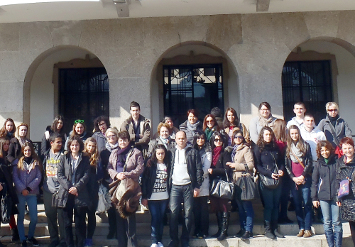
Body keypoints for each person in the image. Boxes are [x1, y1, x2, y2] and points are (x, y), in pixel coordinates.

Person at [107, 130, 144, 247]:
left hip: (130, 188)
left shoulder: (136, 152)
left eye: (125, 140)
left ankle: (131, 244)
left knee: (130, 215)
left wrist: (126, 174)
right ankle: (121, 243)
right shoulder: (114, 153)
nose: (122, 142)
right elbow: (109, 167)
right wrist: (116, 175)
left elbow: (140, 168)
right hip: (118, 188)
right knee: (119, 217)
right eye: (120, 140)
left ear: (128, 141)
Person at [167, 131, 202, 247]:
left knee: (188, 213)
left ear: (186, 139)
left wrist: (197, 186)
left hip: (188, 186)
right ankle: (174, 239)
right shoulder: (171, 152)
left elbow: (198, 169)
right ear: (175, 139)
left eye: (183, 138)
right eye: (179, 138)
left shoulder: (193, 152)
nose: (181, 140)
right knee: (173, 213)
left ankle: (185, 239)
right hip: (175, 186)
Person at [57, 136, 90, 247]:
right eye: (72, 145)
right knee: (67, 223)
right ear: (69, 146)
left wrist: (77, 188)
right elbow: (60, 174)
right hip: (66, 194)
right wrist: (70, 187)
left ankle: (80, 244)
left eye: (76, 145)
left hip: (80, 194)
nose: (74, 147)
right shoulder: (64, 158)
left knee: (80, 223)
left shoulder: (85, 159)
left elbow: (86, 175)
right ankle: (69, 244)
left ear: (80, 146)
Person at [254, 126, 284, 239]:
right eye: (266, 134)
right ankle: (268, 229)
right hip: (266, 181)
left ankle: (275, 228)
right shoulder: (258, 148)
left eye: (270, 134)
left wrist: (281, 170)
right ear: (262, 135)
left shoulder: (275, 147)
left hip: (277, 180)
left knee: (276, 205)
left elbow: (281, 161)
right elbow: (257, 166)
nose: (268, 136)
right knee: (269, 206)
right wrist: (269, 173)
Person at [285, 125, 313, 238]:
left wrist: (302, 176)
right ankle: (301, 227)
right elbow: (287, 165)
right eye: (292, 133)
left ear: (299, 133)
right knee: (297, 204)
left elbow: (310, 162)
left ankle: (307, 228)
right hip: (294, 180)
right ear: (289, 135)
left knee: (306, 203)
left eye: (296, 133)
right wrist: (293, 177)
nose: (294, 135)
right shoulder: (288, 147)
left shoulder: (305, 145)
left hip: (304, 178)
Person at [312, 141, 342, 247]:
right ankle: (331, 245)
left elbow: (340, 179)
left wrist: (340, 195)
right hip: (323, 196)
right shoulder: (318, 163)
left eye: (326, 150)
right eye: (322, 150)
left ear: (330, 150)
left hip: (336, 196)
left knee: (337, 222)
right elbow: (315, 182)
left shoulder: (337, 162)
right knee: (327, 221)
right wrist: (314, 197)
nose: (325, 152)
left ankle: (338, 245)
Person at [226, 130, 254, 240]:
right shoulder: (232, 149)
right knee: (240, 207)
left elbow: (250, 165)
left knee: (247, 206)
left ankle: (248, 230)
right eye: (235, 137)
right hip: (235, 182)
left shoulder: (246, 149)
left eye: (240, 137)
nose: (237, 139)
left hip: (244, 180)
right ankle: (242, 228)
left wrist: (235, 165)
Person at [13, 142, 42, 247]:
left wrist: (29, 188)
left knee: (34, 217)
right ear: (23, 151)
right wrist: (22, 189)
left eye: (29, 150)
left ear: (32, 151)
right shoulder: (18, 162)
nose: (27, 152)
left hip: (32, 193)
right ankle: (22, 239)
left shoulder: (36, 162)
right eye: (25, 150)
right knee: (20, 216)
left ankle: (30, 236)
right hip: (20, 193)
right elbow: (15, 177)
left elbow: (38, 177)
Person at [141, 144, 170, 247]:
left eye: (162, 153)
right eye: (158, 153)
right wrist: (144, 197)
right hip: (152, 197)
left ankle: (159, 240)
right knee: (155, 217)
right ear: (155, 154)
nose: (160, 155)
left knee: (161, 218)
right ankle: (154, 241)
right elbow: (144, 181)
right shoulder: (150, 165)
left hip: (164, 197)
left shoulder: (168, 164)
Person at [42, 133, 66, 247]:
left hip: (61, 190)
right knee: (51, 216)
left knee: (61, 217)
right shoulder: (45, 155)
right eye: (58, 142)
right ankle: (54, 239)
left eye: (61, 142)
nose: (60, 144)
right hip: (48, 190)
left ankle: (63, 241)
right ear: (51, 143)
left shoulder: (64, 155)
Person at [208, 132, 232, 241]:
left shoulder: (225, 153)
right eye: (216, 140)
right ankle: (219, 230)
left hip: (221, 182)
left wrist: (213, 171)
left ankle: (224, 231)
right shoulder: (211, 153)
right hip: (212, 182)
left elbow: (226, 170)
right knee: (216, 207)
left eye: (220, 140)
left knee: (224, 206)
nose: (218, 142)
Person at [99, 127, 119, 239]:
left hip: (119, 182)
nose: (111, 138)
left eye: (113, 135)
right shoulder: (103, 152)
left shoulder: (121, 149)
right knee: (111, 208)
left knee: (119, 207)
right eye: (109, 136)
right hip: (107, 182)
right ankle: (112, 230)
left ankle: (120, 230)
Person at [336, 137, 355, 246]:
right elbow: (337, 180)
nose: (347, 150)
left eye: (350, 148)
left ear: (353, 148)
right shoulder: (339, 162)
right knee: (352, 226)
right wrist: (337, 197)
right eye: (345, 148)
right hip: (347, 197)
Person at [192, 131, 211, 239]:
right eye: (198, 138)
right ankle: (196, 230)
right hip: (193, 182)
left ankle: (204, 231)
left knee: (203, 208)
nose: (200, 140)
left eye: (202, 138)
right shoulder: (192, 150)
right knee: (195, 208)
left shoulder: (208, 151)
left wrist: (196, 174)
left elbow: (206, 168)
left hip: (203, 181)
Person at [273, 119, 293, 224]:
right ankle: (282, 216)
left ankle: (282, 216)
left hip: (281, 171)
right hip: (282, 171)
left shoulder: (284, 141)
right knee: (282, 196)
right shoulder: (279, 143)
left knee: (283, 195)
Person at [0, 137, 19, 244]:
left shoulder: (7, 158)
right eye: (5, 144)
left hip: (8, 189)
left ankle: (14, 233)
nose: (7, 146)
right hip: (1, 189)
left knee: (10, 211)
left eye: (8, 144)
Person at [83, 138, 101, 247]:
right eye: (89, 146)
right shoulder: (82, 156)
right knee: (80, 216)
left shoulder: (97, 158)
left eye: (93, 146)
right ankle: (81, 237)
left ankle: (89, 238)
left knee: (91, 215)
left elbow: (100, 175)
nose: (91, 148)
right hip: (82, 189)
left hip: (93, 190)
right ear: (86, 146)